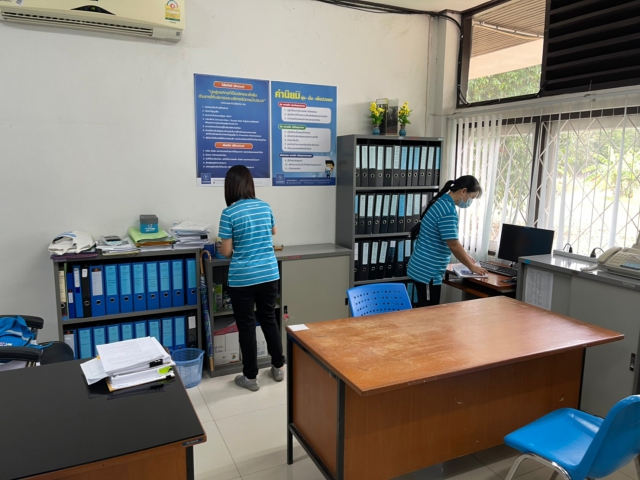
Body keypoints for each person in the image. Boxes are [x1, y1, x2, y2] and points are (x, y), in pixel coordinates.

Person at [217, 165, 285, 392]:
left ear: (230, 187)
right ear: (249, 184)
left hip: (243, 278)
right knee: (269, 319)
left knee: (246, 326)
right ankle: (278, 366)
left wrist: (222, 246)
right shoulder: (265, 206)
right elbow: (273, 231)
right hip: (269, 274)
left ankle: (250, 377)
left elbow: (227, 251)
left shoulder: (229, 213)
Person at [407, 175, 488, 307]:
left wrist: (466, 255)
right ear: (463, 191)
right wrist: (471, 266)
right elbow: (453, 244)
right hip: (428, 272)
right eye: (471, 197)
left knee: (425, 308)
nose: (469, 202)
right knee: (429, 311)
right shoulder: (447, 210)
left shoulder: (442, 202)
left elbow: (449, 239)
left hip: (423, 267)